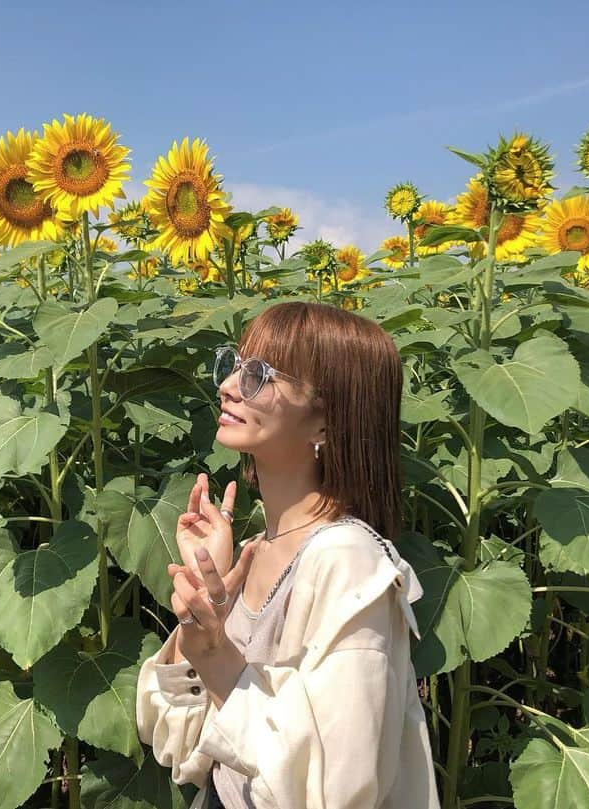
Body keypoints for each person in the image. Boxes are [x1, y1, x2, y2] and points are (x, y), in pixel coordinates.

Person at [135, 300, 441, 809]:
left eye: (259, 375)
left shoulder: (347, 560)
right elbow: (183, 748)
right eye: (235, 365)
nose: (228, 386)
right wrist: (204, 607)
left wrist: (217, 656)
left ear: (325, 422)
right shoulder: (256, 549)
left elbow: (342, 787)